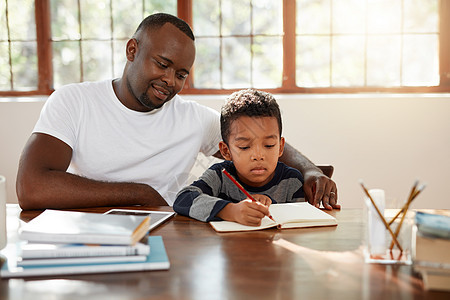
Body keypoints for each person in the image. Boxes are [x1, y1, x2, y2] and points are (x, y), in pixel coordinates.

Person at [16, 13, 339, 210]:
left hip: (171, 235)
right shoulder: (74, 101)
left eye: (181, 74)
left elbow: (255, 140)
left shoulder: (192, 119)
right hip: (92, 234)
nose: (170, 81)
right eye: (162, 64)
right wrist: (141, 194)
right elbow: (32, 187)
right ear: (132, 50)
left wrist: (310, 171)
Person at [173, 89, 307, 225]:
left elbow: (301, 224)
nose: (258, 156)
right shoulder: (220, 176)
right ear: (226, 151)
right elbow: (183, 199)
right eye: (244, 147)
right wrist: (231, 211)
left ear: (280, 147)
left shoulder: (292, 181)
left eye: (269, 145)